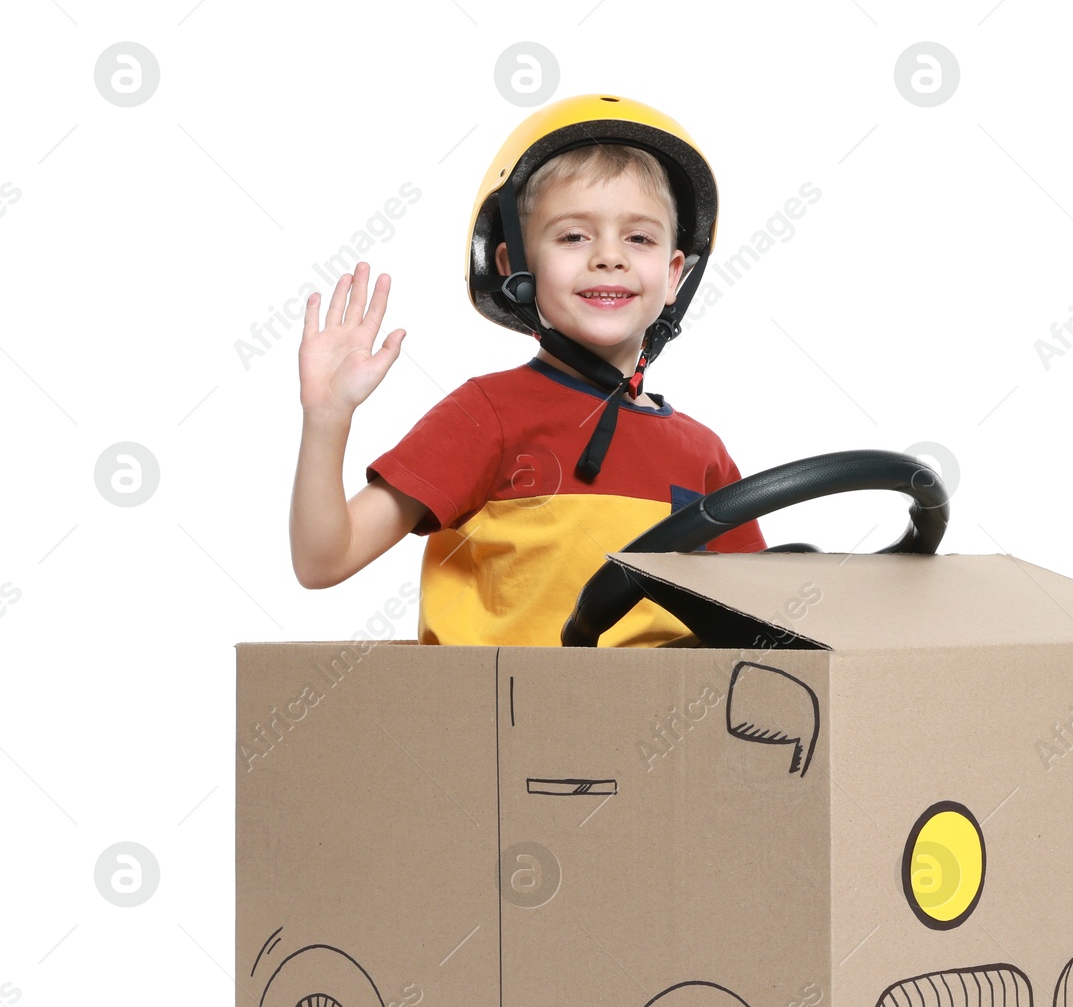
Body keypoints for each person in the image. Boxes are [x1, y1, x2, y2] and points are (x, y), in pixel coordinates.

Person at [288, 94, 766, 647]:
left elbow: (757, 630)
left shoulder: (703, 454)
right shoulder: (485, 416)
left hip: (662, 723)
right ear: (515, 266)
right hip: (502, 725)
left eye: (639, 238)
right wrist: (327, 418)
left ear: (673, 275)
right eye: (573, 236)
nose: (608, 256)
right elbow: (323, 560)